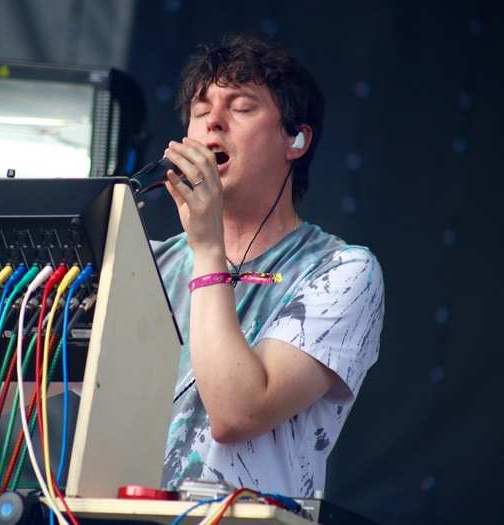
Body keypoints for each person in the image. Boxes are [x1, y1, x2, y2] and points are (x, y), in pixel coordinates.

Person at [152, 35, 385, 497]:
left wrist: (207, 250)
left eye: (240, 107)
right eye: (200, 111)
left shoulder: (343, 272)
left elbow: (239, 413)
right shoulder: (150, 263)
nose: (213, 122)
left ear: (296, 139)